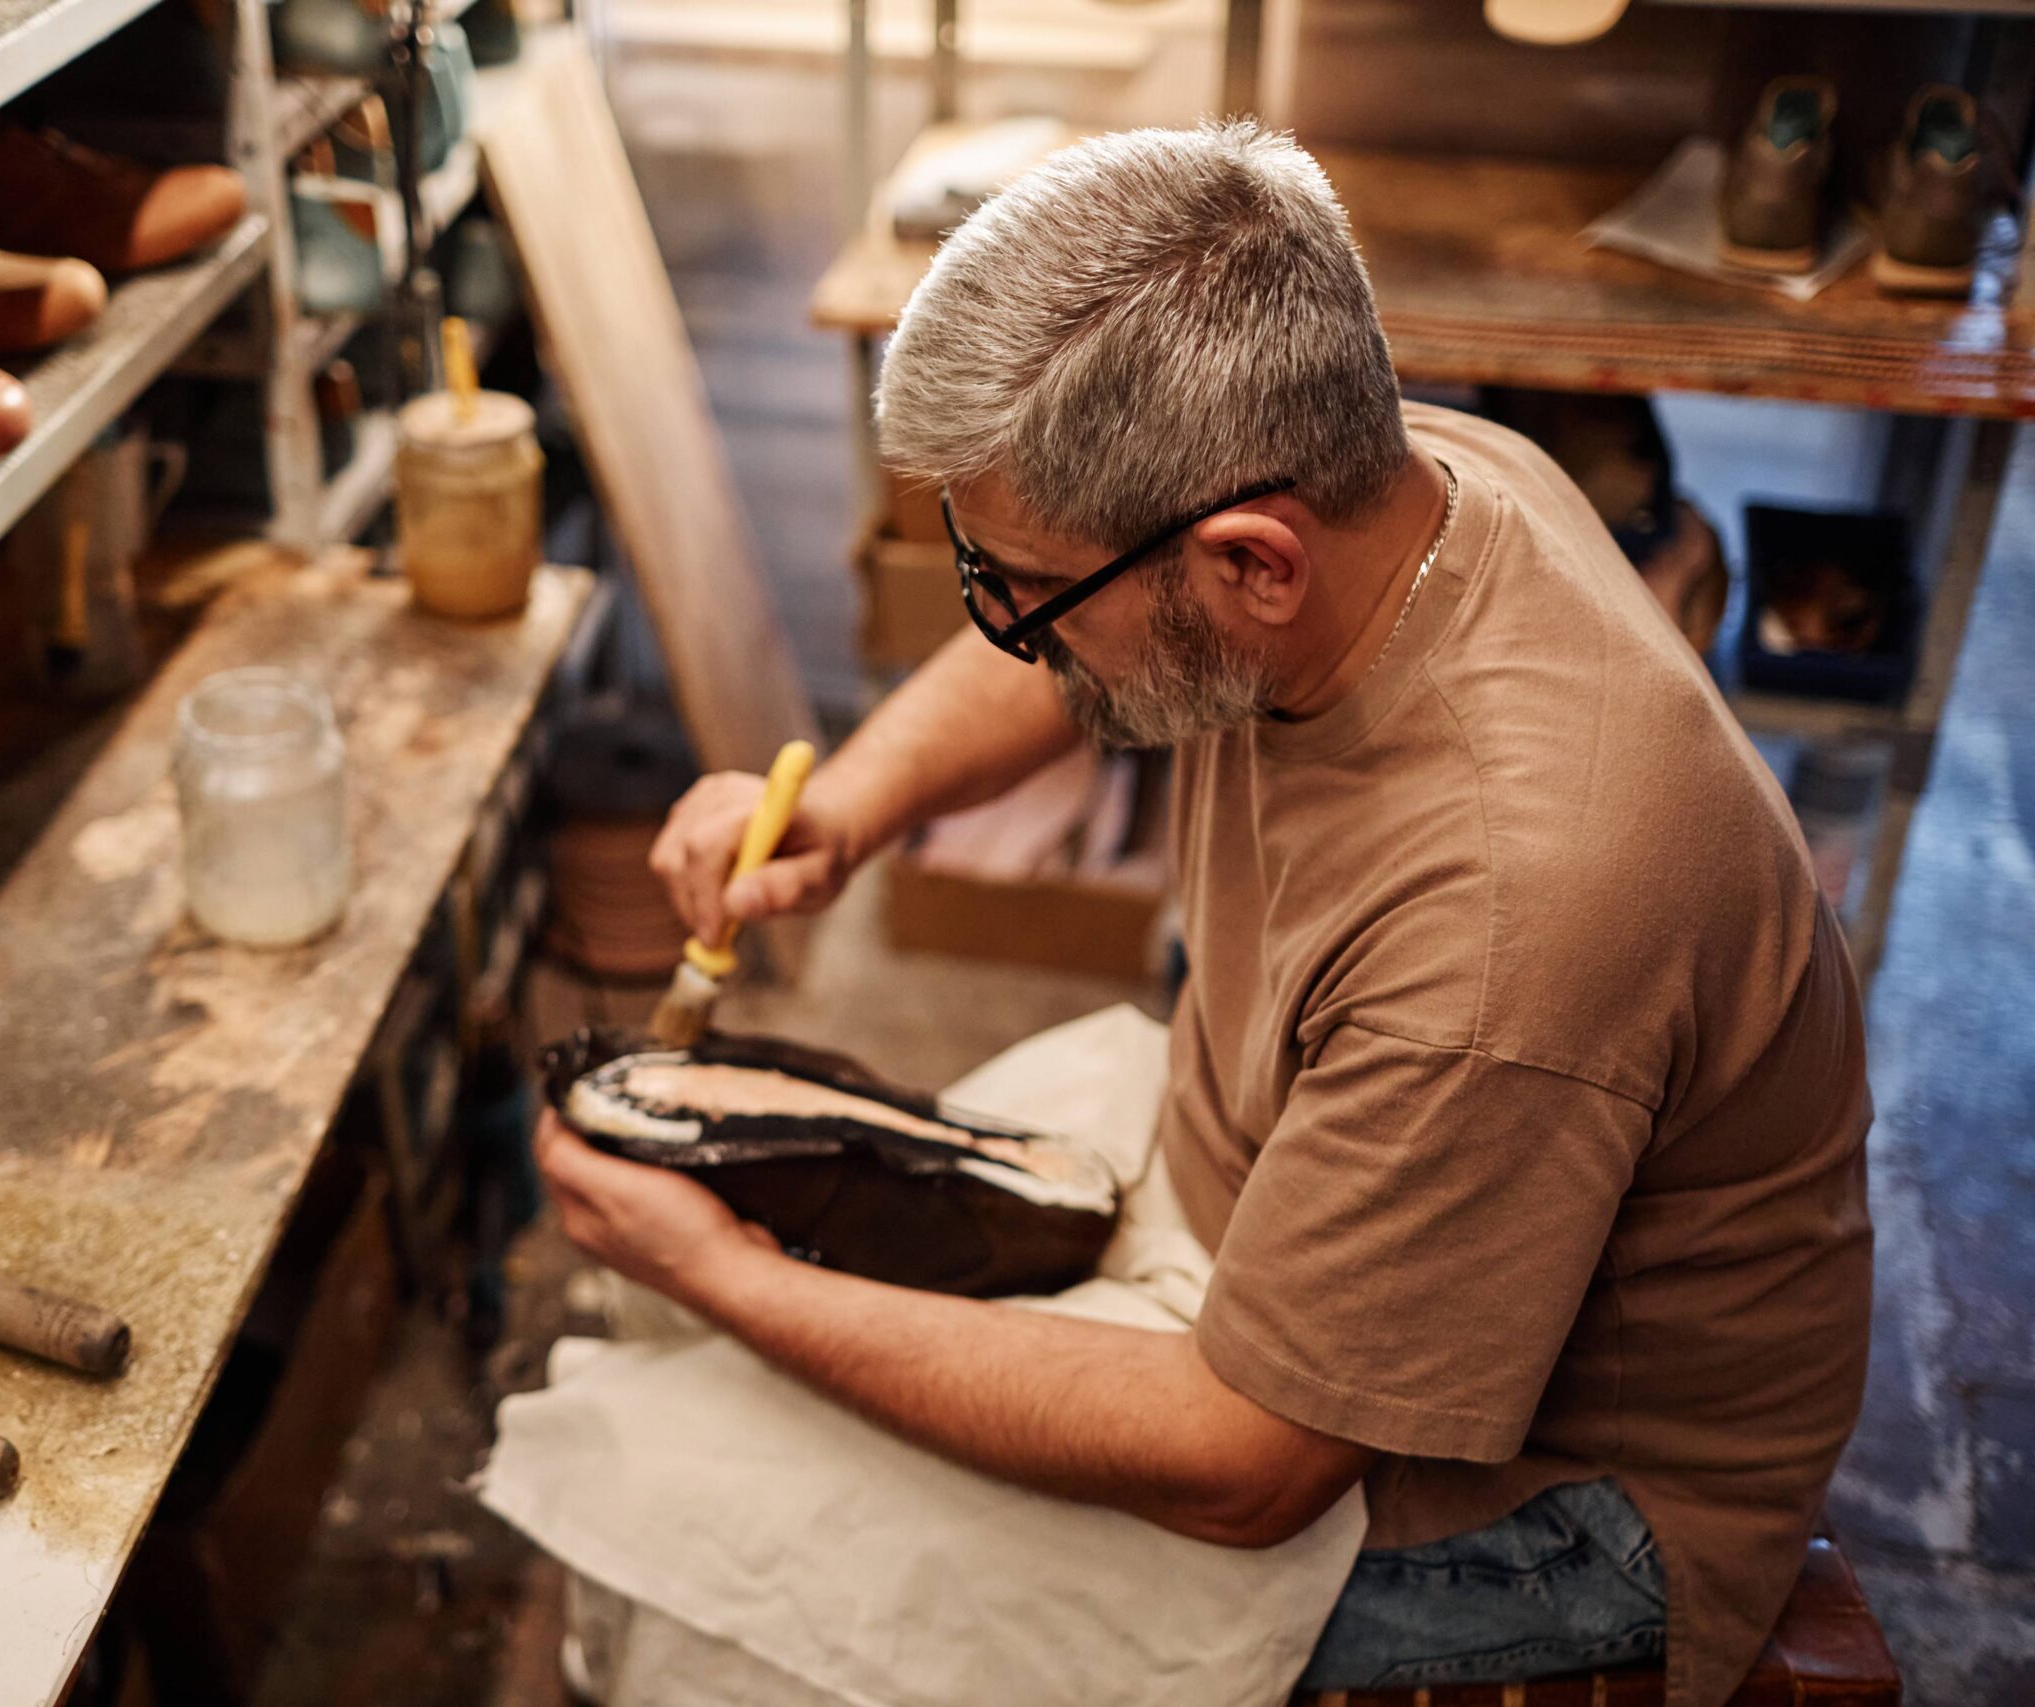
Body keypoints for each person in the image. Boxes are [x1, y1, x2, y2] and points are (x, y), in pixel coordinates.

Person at [532, 121, 1873, 1706]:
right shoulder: (1388, 477)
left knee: (700, 1534)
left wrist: (729, 1280)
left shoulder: (1516, 918)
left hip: (1558, 1505)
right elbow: (1084, 626)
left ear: (1254, 563)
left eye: (1015, 590)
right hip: (1274, 1166)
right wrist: (849, 802)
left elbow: (1249, 1466)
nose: (1004, 628)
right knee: (731, 1378)